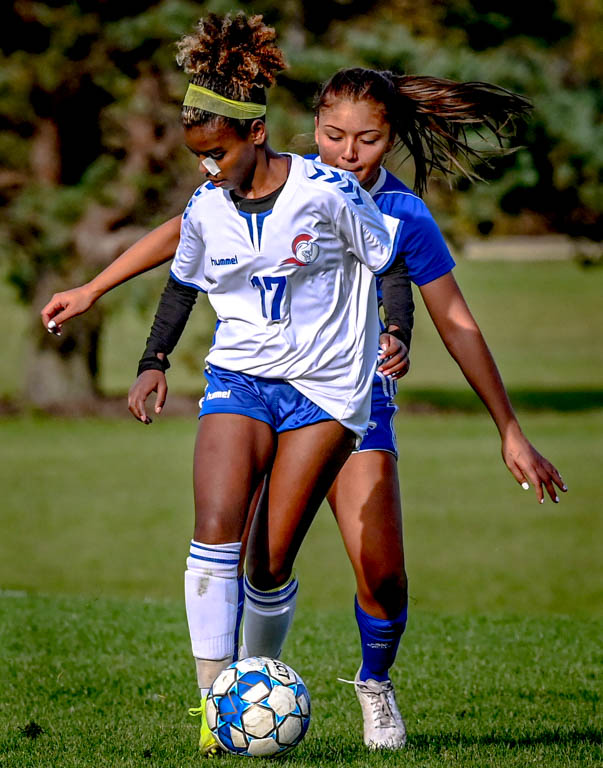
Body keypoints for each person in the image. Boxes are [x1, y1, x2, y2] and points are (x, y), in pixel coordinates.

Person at [41, 59, 567, 754]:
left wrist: (507, 428)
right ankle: (231, 703)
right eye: (332, 134)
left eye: (367, 140)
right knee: (253, 554)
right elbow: (183, 232)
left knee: (379, 573)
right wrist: (95, 290)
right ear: (310, 127)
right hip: (255, 384)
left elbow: (455, 320)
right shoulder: (272, 178)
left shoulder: (399, 212)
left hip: (350, 401)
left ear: (389, 140)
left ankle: (374, 686)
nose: (347, 153)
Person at [42, 12, 427, 758]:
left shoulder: (327, 191)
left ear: (254, 134)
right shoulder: (206, 207)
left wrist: (395, 332)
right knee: (213, 533)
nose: (205, 171)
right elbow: (182, 285)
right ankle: (215, 709)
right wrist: (152, 364)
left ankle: (259, 675)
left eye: (214, 155)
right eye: (196, 158)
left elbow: (389, 261)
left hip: (323, 393)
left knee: (268, 560)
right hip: (239, 377)